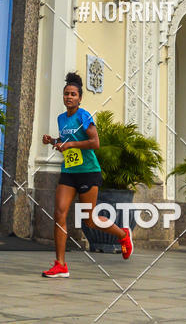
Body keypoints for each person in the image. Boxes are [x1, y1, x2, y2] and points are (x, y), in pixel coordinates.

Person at [41, 71, 133, 278]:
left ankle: (122, 235)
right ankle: (60, 264)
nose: (69, 97)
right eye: (66, 94)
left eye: (73, 94)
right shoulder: (61, 118)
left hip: (88, 172)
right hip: (69, 172)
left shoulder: (84, 116)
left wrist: (71, 143)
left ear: (79, 98)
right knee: (59, 214)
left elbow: (95, 143)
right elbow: (66, 142)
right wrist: (53, 141)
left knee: (90, 220)